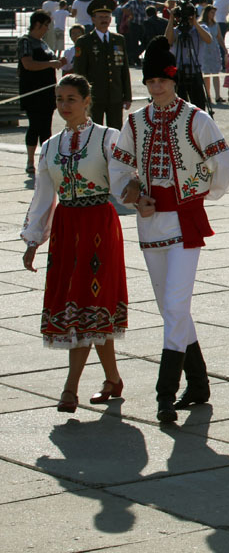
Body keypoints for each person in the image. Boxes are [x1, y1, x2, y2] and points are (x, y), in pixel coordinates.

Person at [111, 36, 229, 424]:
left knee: (175, 305)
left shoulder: (196, 118)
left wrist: (201, 193)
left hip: (185, 222)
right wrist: (134, 195)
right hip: (150, 224)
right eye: (150, 82)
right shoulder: (135, 121)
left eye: (161, 81)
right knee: (172, 309)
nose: (156, 88)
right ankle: (198, 384)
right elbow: (119, 168)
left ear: (173, 79)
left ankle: (164, 393)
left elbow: (227, 164)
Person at [21, 74, 129, 413]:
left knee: (89, 301)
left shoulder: (107, 139)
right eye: (59, 99)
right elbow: (43, 197)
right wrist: (33, 239)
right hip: (67, 229)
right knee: (85, 305)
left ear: (87, 101)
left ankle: (70, 388)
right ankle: (112, 378)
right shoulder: (51, 146)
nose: (64, 105)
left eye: (71, 99)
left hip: (98, 224)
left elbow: (126, 181)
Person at [72, 0, 132, 129]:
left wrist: (127, 95)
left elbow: (123, 69)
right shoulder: (84, 41)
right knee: (94, 131)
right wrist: (82, 97)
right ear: (93, 19)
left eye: (107, 16)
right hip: (94, 97)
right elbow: (80, 72)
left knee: (115, 131)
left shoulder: (118, 40)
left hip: (115, 95)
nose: (104, 20)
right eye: (100, 17)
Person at [18, 10, 65, 174]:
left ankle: (46, 160)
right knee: (35, 125)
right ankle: (30, 160)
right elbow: (28, 64)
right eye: (45, 25)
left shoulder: (44, 43)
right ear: (37, 25)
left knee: (46, 126)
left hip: (47, 92)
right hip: (33, 91)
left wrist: (58, 63)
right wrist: (50, 64)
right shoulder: (26, 41)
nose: (47, 29)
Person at [164, 1, 213, 112]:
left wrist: (195, 22)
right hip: (179, 72)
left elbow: (208, 39)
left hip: (195, 71)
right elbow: (167, 41)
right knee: (179, 108)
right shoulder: (177, 31)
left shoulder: (201, 28)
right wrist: (171, 19)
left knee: (199, 106)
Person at [198, 5, 226, 106]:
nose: (213, 15)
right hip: (205, 50)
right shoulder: (201, 24)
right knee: (206, 75)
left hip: (214, 49)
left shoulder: (215, 24)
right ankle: (208, 95)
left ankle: (218, 95)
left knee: (216, 73)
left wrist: (224, 48)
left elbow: (219, 36)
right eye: (211, 12)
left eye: (214, 13)